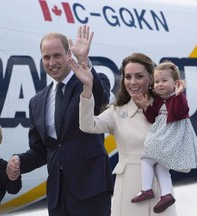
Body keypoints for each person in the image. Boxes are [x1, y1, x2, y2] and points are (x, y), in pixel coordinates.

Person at [6, 25, 113, 216]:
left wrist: (84, 60)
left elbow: (101, 99)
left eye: (57, 55)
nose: (52, 62)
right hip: (57, 196)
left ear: (68, 54)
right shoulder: (37, 102)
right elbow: (41, 151)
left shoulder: (89, 82)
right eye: (46, 57)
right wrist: (19, 161)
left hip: (91, 191)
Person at [69, 52, 177, 216]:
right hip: (128, 189)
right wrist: (87, 88)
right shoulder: (116, 112)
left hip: (160, 191)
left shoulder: (167, 108)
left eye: (139, 76)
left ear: (151, 78)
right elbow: (87, 125)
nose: (132, 82)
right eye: (128, 77)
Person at [131, 61, 197, 213]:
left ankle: (146, 189)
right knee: (160, 166)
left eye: (164, 81)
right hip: (164, 135)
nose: (159, 84)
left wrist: (178, 95)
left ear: (176, 83)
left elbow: (180, 112)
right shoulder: (159, 100)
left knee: (146, 158)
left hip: (171, 136)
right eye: (157, 81)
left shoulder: (178, 98)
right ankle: (166, 195)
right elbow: (153, 118)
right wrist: (146, 107)